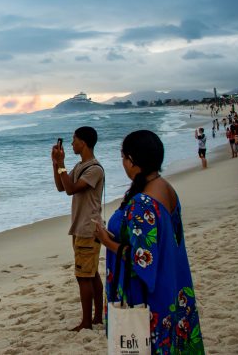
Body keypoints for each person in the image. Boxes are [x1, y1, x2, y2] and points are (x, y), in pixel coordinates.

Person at [93, 130, 205, 354]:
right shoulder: (164, 187)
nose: (123, 163)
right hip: (172, 283)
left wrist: (107, 241)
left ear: (133, 161)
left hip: (150, 296)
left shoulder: (142, 202)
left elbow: (142, 260)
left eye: (123, 157)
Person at [51, 126, 105, 332]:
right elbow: (61, 186)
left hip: (87, 228)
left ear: (83, 142)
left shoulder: (94, 169)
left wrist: (62, 164)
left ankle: (87, 322)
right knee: (91, 274)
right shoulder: (81, 166)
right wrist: (56, 164)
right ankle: (97, 317)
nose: (72, 144)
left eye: (74, 140)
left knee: (84, 276)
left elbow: (71, 189)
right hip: (82, 227)